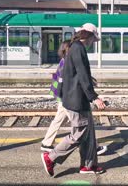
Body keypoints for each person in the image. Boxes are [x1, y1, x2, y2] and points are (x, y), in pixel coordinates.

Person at [41, 23, 107, 177]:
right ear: (89, 36)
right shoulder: (78, 48)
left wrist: (91, 94)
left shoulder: (74, 47)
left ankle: (88, 165)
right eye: (93, 40)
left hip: (78, 98)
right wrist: (94, 97)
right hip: (76, 99)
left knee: (88, 134)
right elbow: (83, 75)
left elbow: (78, 75)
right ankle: (51, 157)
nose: (93, 44)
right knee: (79, 133)